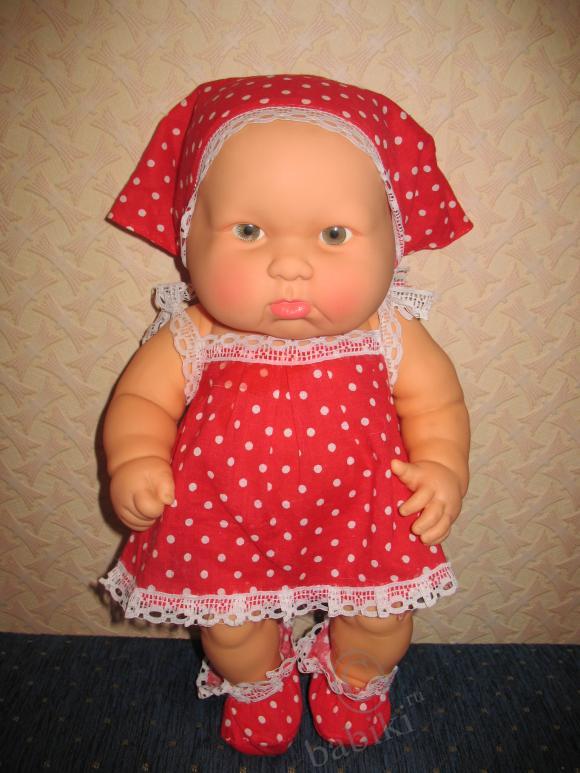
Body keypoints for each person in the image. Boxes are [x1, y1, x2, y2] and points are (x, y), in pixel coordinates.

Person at [100, 74, 472, 756]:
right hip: (223, 517)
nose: (290, 265)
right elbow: (142, 401)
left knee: (380, 618)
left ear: (393, 241)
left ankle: (355, 675)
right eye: (249, 231)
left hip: (364, 511)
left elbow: (437, 402)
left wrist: (444, 466)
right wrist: (136, 457)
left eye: (333, 233)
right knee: (231, 627)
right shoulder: (197, 332)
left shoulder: (388, 330)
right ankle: (256, 682)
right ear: (189, 236)